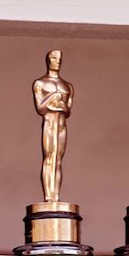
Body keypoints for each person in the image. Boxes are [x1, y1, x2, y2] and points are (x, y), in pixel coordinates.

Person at [33, 49, 73, 202]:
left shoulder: (68, 86)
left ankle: (55, 196)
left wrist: (60, 104)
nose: (57, 61)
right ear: (48, 60)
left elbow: (68, 110)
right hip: (49, 123)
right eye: (54, 58)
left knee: (58, 160)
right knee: (49, 158)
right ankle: (49, 196)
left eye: (59, 59)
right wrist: (53, 98)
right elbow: (40, 107)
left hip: (61, 125)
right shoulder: (41, 83)